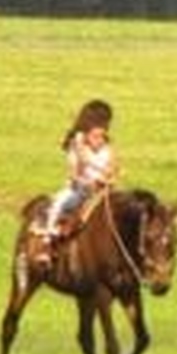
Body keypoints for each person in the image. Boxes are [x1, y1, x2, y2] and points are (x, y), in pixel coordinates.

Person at [34, 99, 119, 262]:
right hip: (81, 189)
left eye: (102, 135)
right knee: (59, 204)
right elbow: (79, 168)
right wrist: (95, 175)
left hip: (100, 191)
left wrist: (109, 179)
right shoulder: (79, 142)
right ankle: (47, 241)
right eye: (96, 134)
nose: (100, 137)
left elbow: (113, 169)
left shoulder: (106, 148)